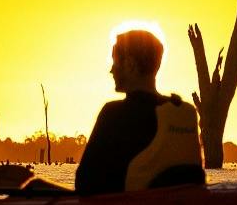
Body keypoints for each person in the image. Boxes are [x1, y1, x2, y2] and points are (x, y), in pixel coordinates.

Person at [74, 28, 205, 195]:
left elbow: (85, 183)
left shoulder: (114, 113)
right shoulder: (184, 112)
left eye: (115, 62)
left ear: (130, 65)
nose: (111, 70)